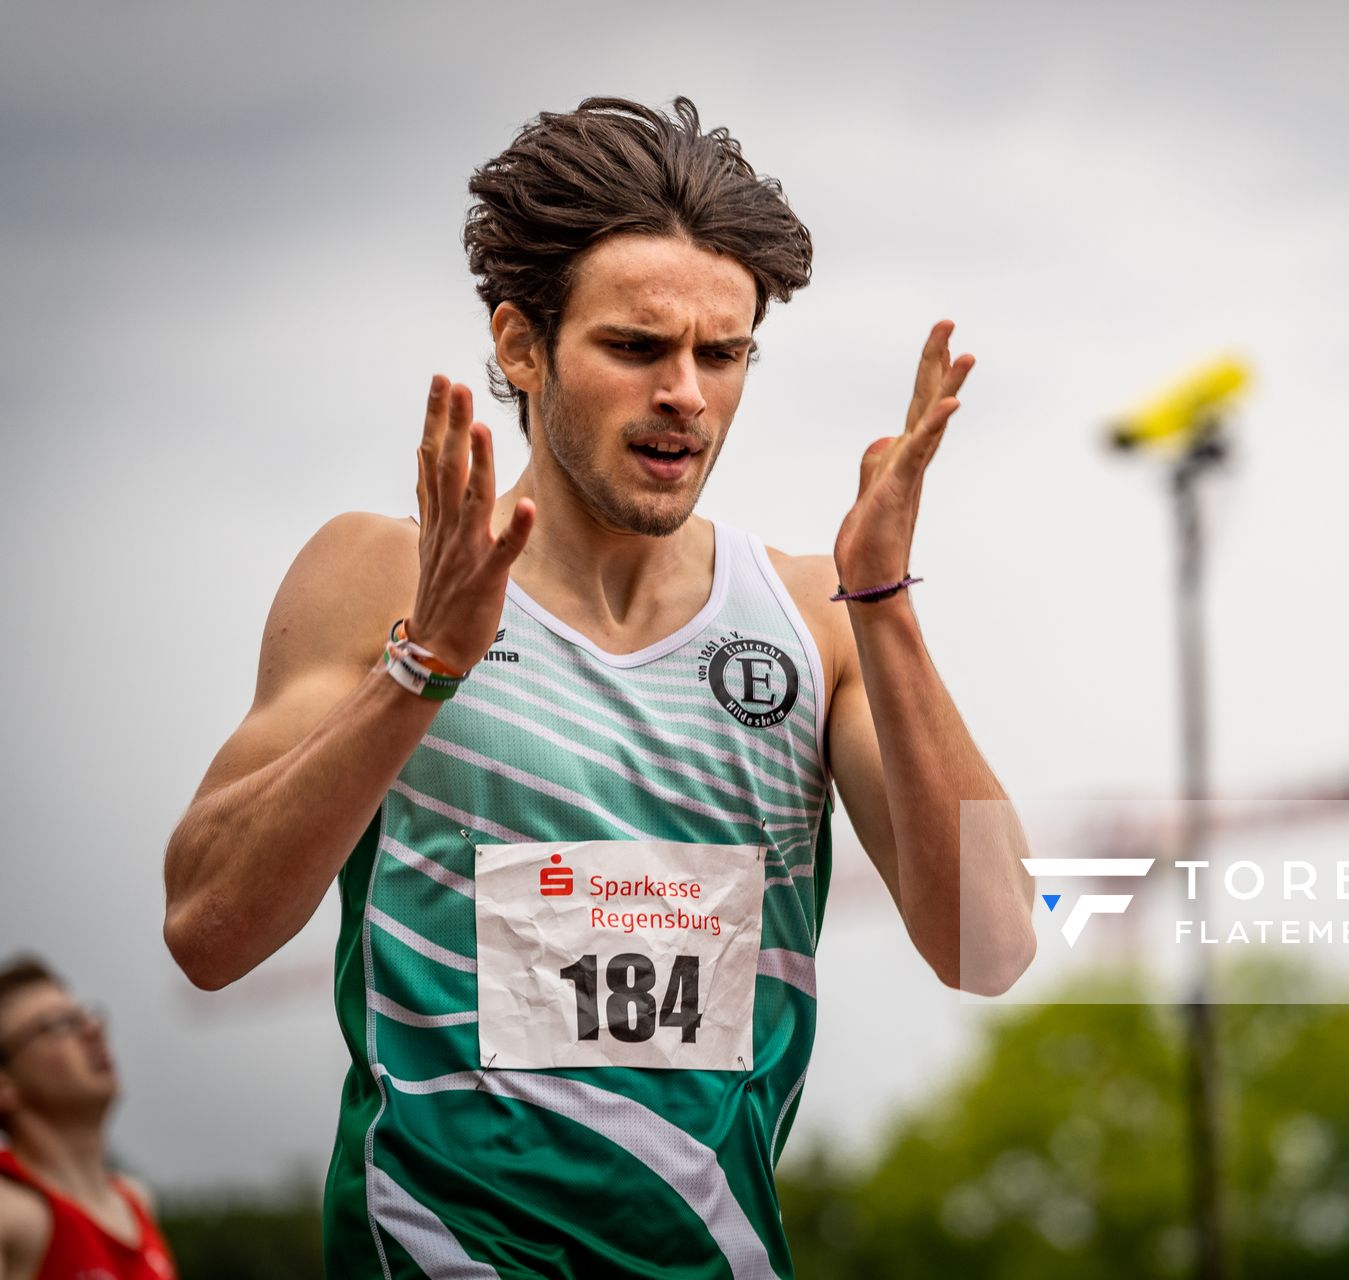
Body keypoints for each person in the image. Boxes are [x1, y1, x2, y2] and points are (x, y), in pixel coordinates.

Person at [161, 95, 1037, 1277]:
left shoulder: (808, 614)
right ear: (522, 345)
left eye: (722, 354)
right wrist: (423, 666)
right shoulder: (381, 574)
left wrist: (883, 600)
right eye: (636, 347)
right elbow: (207, 930)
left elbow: (991, 944)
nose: (686, 391)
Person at [0, 956, 177, 1280]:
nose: (93, 1030)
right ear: (4, 1084)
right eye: (58, 1024)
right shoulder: (11, 1216)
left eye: (83, 1017)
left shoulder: (137, 1200)